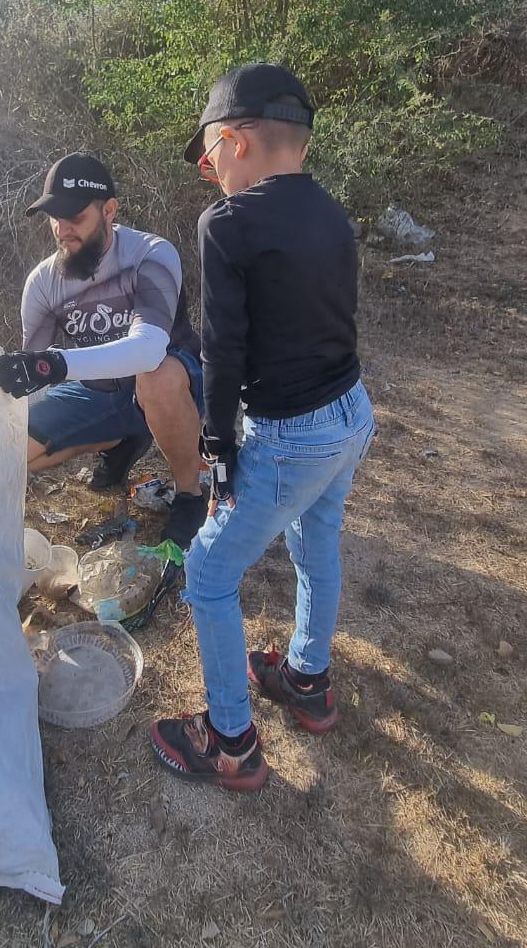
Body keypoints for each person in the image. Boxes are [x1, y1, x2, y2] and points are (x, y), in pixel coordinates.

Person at [150, 64, 375, 791]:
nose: (208, 168)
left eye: (210, 151)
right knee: (316, 544)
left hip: (292, 435)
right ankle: (306, 678)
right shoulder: (332, 213)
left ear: (238, 142)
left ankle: (229, 742)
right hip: (351, 413)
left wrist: (217, 460)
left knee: (209, 572)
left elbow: (224, 349)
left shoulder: (229, 222)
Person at [0, 153, 208, 549]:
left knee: (155, 379)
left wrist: (54, 365)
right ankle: (121, 441)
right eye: (54, 217)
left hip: (173, 383)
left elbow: (147, 349)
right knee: (11, 451)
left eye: (75, 217)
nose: (62, 230)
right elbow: (34, 382)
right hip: (100, 393)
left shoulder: (151, 255)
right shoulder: (42, 284)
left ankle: (190, 492)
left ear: (109, 210)